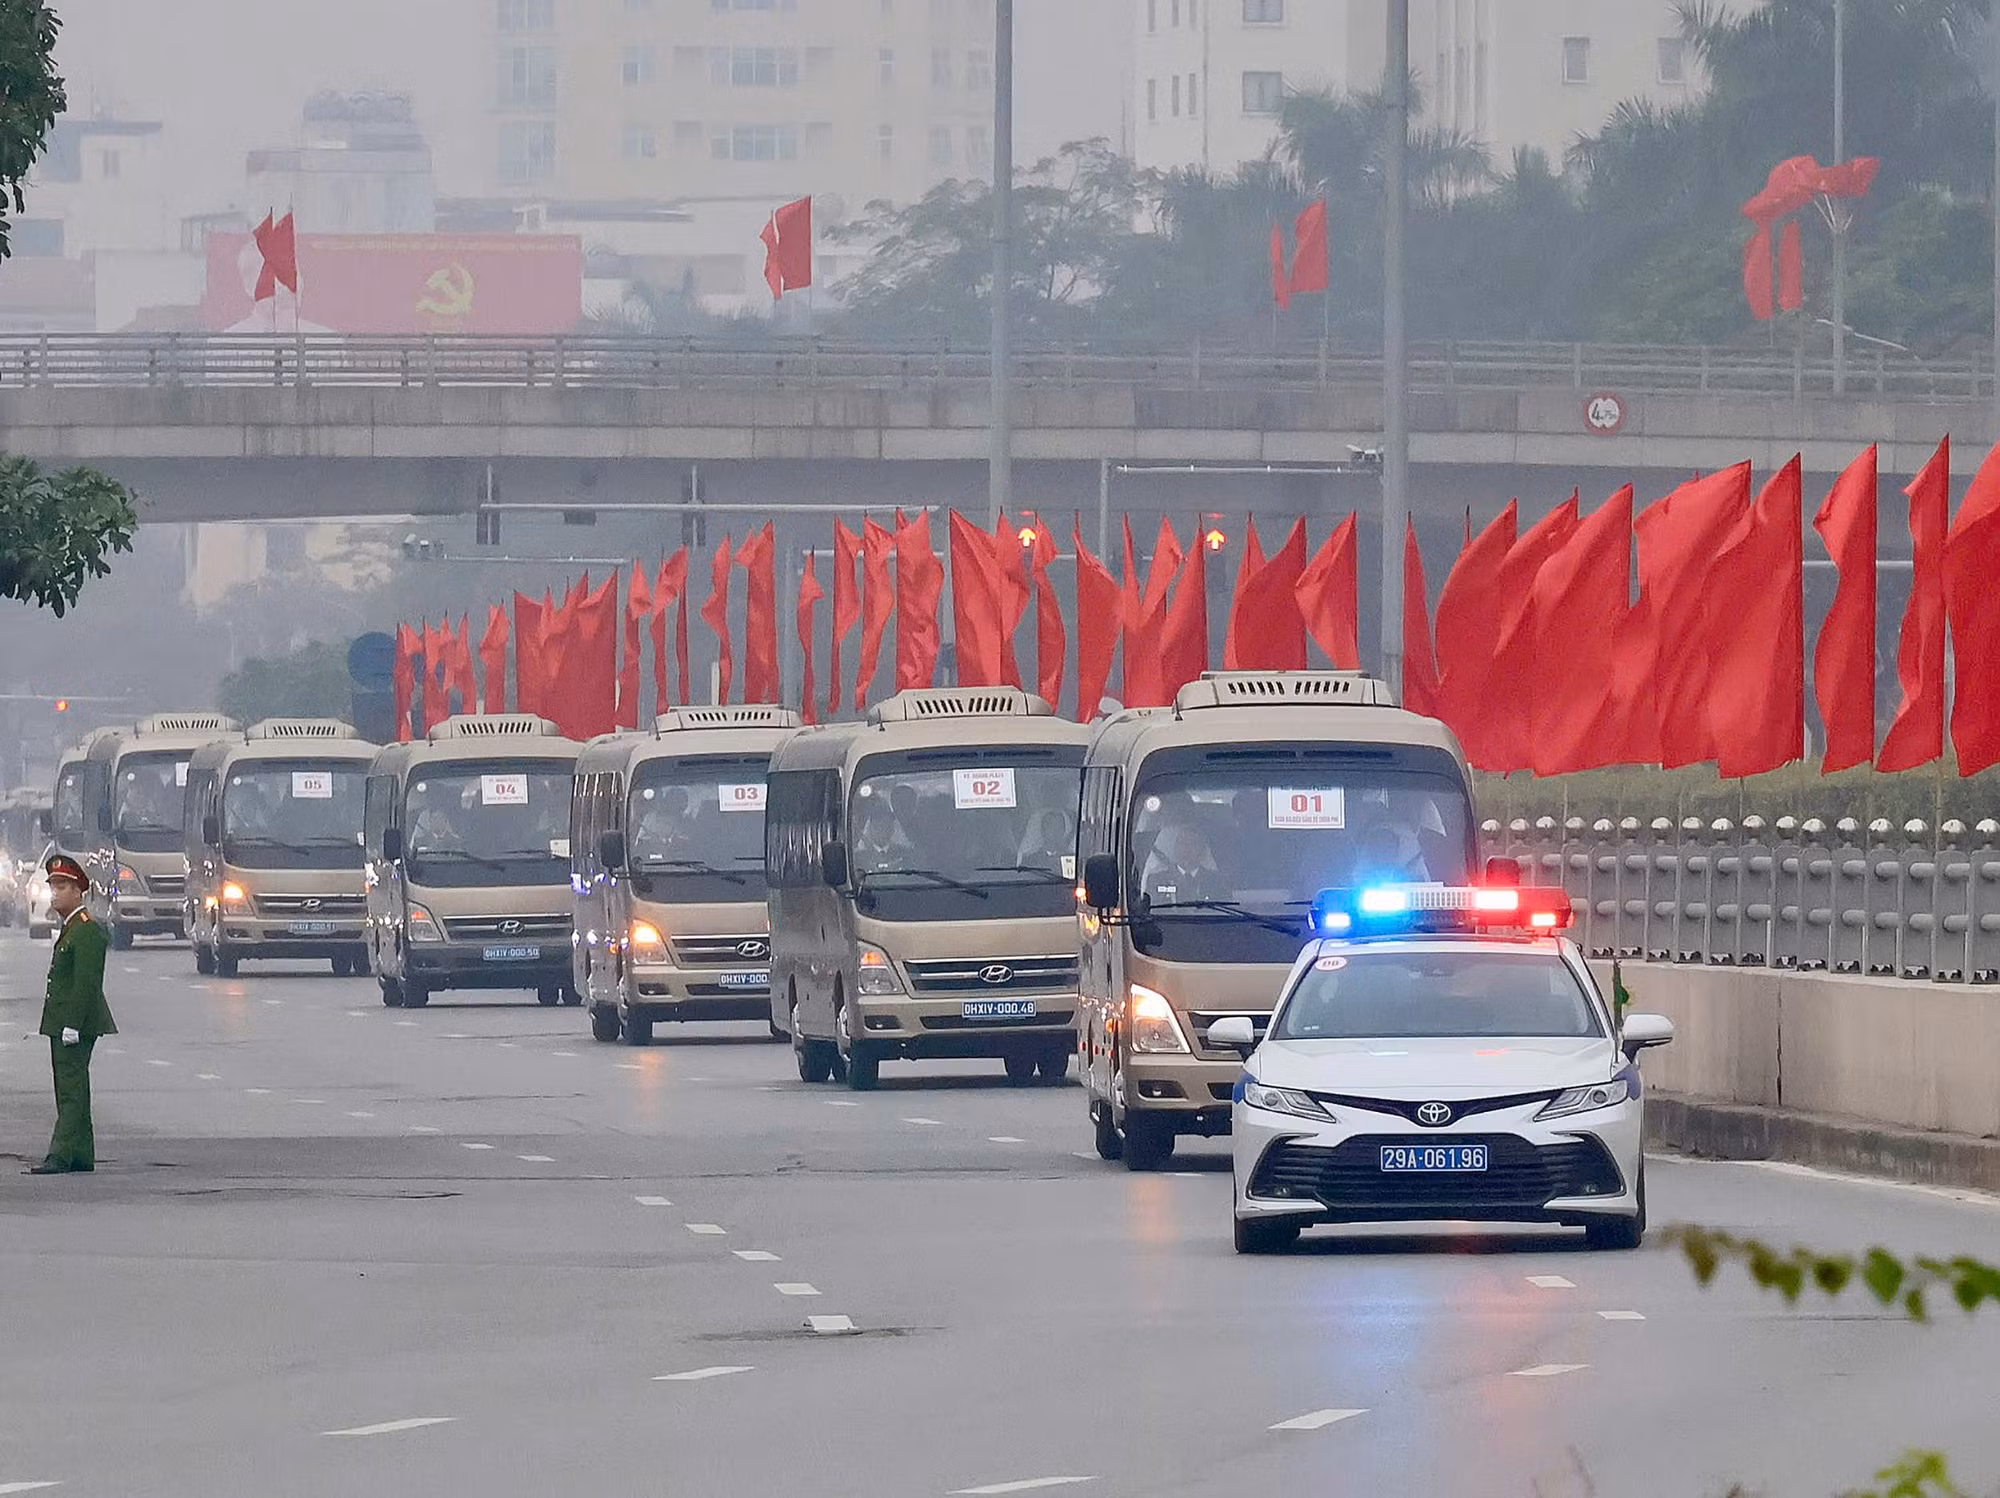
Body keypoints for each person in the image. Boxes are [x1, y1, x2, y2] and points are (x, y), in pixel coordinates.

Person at [31, 854, 116, 1175]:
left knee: (71, 1091)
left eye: (62, 887)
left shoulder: (86, 931)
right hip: (64, 1023)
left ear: (78, 891)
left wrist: (72, 1025)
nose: (55, 893)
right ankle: (81, 1154)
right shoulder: (72, 929)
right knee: (72, 1088)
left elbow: (86, 985)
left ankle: (60, 1155)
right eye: (53, 886)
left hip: (74, 1025)